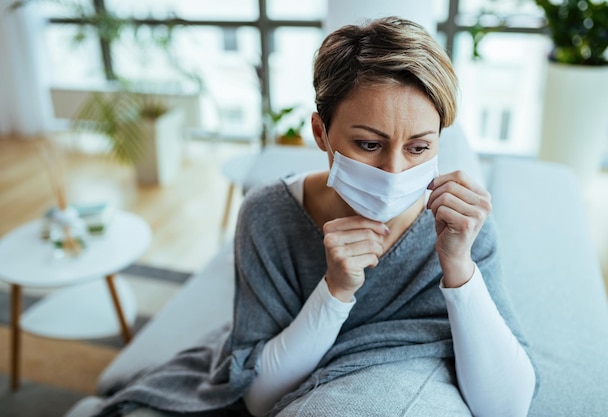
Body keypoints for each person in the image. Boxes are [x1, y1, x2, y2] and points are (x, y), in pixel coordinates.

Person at [95, 16, 536, 417]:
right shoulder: (268, 216)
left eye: (419, 147)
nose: (395, 171)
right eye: (369, 144)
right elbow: (260, 398)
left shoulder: (461, 223)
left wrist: (458, 268)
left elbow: (507, 407)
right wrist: (335, 291)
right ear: (321, 133)